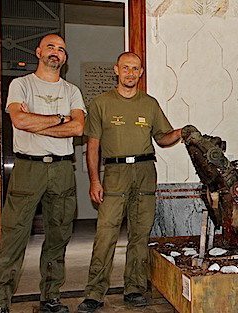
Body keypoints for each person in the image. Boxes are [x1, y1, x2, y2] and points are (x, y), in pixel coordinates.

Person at [77, 52, 181, 312]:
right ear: (116, 70)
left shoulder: (150, 103)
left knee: (140, 235)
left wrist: (182, 133)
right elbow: (92, 147)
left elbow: (163, 138)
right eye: (126, 68)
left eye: (135, 69)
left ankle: (134, 289)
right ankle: (94, 293)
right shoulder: (101, 103)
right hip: (114, 173)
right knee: (105, 234)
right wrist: (94, 180)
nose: (130, 73)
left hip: (146, 171)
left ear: (141, 72)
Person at [0, 34, 86, 313]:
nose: (56, 52)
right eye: (51, 47)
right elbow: (19, 120)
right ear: (38, 51)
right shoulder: (21, 85)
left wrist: (38, 123)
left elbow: (78, 129)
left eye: (62, 49)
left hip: (62, 168)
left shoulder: (72, 91)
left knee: (59, 235)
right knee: (14, 236)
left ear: (65, 58)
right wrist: (59, 119)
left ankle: (50, 297)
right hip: (28, 168)